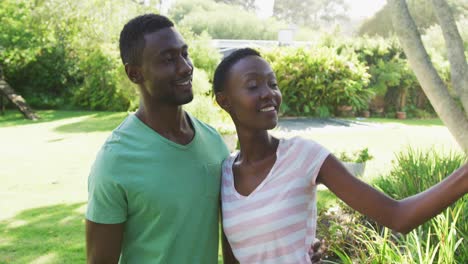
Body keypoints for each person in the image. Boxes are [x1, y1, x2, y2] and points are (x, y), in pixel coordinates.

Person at [213, 48, 468, 264]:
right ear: (225, 101)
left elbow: (397, 216)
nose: (269, 93)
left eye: (273, 84)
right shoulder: (224, 173)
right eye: (253, 86)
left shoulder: (304, 156)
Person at [85, 14, 230, 263]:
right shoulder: (116, 160)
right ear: (134, 74)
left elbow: (238, 230)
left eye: (184, 53)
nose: (185, 67)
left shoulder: (214, 142)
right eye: (168, 59)